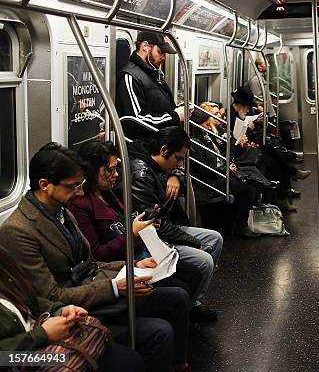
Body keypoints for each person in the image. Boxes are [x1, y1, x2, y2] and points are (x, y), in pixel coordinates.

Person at [0, 142, 191, 371]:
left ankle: (179, 363)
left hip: (79, 298)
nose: (80, 192)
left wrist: (131, 264)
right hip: (62, 317)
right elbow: (49, 296)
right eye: (72, 187)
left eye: (80, 185)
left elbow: (89, 264)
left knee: (178, 296)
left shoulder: (62, 213)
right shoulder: (18, 231)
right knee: (157, 334)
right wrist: (113, 288)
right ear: (45, 185)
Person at [69, 140, 206, 308]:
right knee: (182, 288)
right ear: (91, 171)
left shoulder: (108, 194)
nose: (116, 174)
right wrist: (133, 233)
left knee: (194, 274)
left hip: (138, 249)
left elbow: (125, 221)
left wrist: (145, 222)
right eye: (109, 170)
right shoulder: (80, 206)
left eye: (115, 168)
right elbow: (97, 254)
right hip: (121, 262)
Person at [0, 245, 145, 371]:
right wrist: (42, 335)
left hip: (40, 342)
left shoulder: (5, 265)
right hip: (21, 358)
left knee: (128, 359)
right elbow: (4, 358)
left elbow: (31, 300)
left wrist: (60, 310)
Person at [129, 126, 223, 321]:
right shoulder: (141, 175)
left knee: (215, 238)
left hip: (167, 226)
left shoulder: (160, 167)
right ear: (164, 151)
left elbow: (177, 175)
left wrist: (175, 176)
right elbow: (154, 224)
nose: (180, 164)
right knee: (205, 260)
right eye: (178, 159)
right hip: (155, 237)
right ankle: (187, 310)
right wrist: (193, 242)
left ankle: (193, 301)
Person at [190, 102, 259, 235]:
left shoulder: (208, 136)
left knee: (250, 178)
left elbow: (222, 156)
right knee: (246, 189)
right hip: (208, 183)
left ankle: (237, 221)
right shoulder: (196, 142)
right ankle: (240, 226)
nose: (208, 127)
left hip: (219, 172)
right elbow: (205, 170)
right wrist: (225, 169)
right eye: (206, 124)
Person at [117, 31, 191, 141]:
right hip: (147, 148)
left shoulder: (154, 74)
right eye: (160, 52)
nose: (164, 58)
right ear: (145, 46)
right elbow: (134, 121)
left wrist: (178, 109)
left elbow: (157, 107)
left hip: (160, 143)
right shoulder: (131, 76)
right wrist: (174, 116)